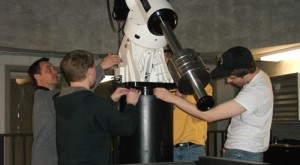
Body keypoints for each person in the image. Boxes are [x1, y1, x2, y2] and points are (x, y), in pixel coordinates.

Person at [154, 46, 273, 162]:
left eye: (231, 77)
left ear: (246, 73)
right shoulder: (258, 79)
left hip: (243, 153)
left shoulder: (257, 90)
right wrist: (229, 146)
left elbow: (210, 115)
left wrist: (173, 99)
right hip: (239, 151)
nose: (228, 81)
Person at [28, 53, 121, 165]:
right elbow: (80, 93)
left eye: (54, 68)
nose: (54, 72)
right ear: (37, 77)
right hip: (48, 160)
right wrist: (100, 67)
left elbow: (81, 104)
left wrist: (110, 99)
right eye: (49, 70)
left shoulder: (49, 97)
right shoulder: (45, 97)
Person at [53, 50, 141, 164]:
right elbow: (126, 126)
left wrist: (110, 99)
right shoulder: (95, 104)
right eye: (95, 68)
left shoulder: (62, 100)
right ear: (90, 71)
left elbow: (87, 115)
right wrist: (131, 104)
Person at [164, 48, 210, 162]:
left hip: (192, 148)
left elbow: (205, 112)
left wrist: (178, 98)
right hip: (168, 148)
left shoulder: (200, 85)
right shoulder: (164, 88)